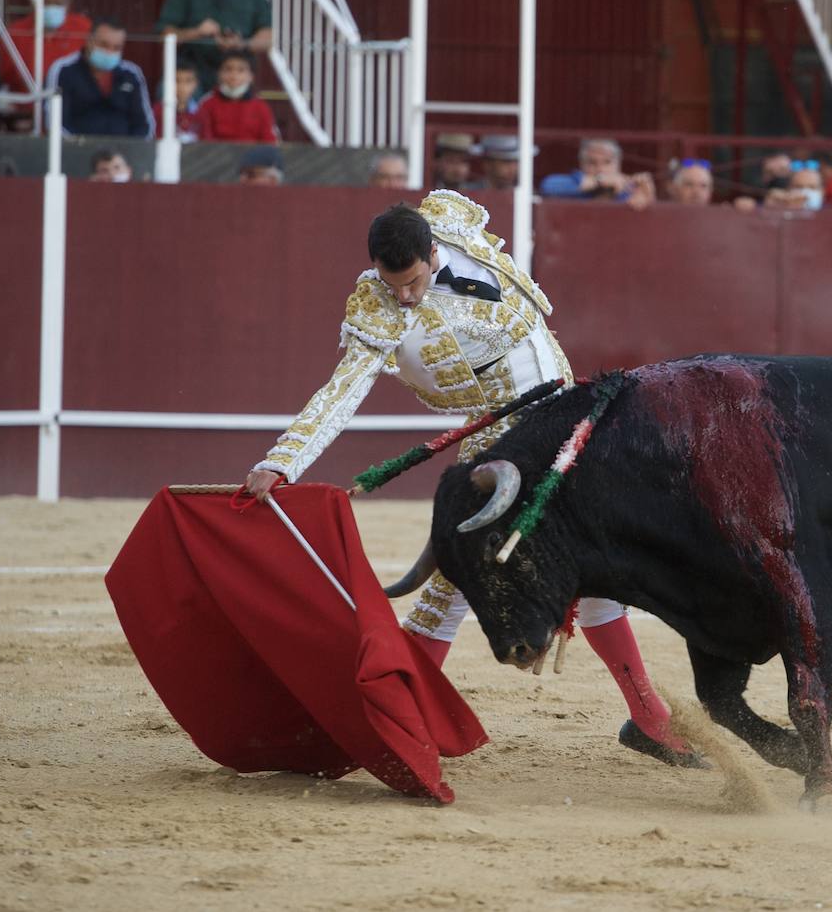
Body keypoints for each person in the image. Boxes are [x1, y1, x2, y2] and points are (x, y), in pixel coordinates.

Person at [243, 193, 703, 768]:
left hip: (568, 421)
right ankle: (395, 716)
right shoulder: (376, 310)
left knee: (593, 561)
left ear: (433, 252)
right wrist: (283, 460)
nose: (403, 296)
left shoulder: (451, 219)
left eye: (412, 282)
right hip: (505, 444)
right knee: (454, 577)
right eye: (392, 284)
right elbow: (341, 391)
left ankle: (649, 718)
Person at [46, 16, 154, 139]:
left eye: (116, 48)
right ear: (89, 41)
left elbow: (145, 126)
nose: (110, 52)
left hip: (126, 149)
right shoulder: (64, 70)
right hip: (76, 148)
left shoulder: (131, 74)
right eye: (104, 45)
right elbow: (55, 123)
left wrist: (131, 149)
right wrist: (79, 147)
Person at [156, 0, 272, 92]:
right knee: (167, 90)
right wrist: (197, 32)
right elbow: (165, 34)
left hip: (236, 70)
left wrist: (241, 44)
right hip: (193, 70)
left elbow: (269, 35)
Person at [0, 0, 91, 87]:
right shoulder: (14, 33)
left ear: (68, 2)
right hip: (26, 96)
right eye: (46, 2)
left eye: (58, 3)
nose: (52, 8)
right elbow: (1, 76)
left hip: (69, 96)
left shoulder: (84, 28)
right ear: (34, 2)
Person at [540, 138, 656, 209]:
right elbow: (547, 186)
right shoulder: (575, 181)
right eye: (592, 163)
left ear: (618, 164)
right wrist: (599, 181)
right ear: (582, 164)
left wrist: (646, 196)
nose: (600, 168)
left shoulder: (627, 188)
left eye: (607, 162)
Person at [195, 49, 276, 144]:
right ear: (219, 74)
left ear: (251, 77)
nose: (234, 76)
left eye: (241, 70)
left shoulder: (261, 107)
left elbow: (269, 143)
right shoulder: (207, 104)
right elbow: (203, 142)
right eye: (228, 69)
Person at [152, 59, 202, 142]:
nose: (182, 87)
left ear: (195, 84)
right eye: (176, 81)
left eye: (188, 81)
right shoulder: (157, 111)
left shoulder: (201, 112)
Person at [468, 134, 533, 190]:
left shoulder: (525, 194)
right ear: (487, 164)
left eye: (516, 161)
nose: (513, 168)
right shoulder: (469, 193)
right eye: (506, 161)